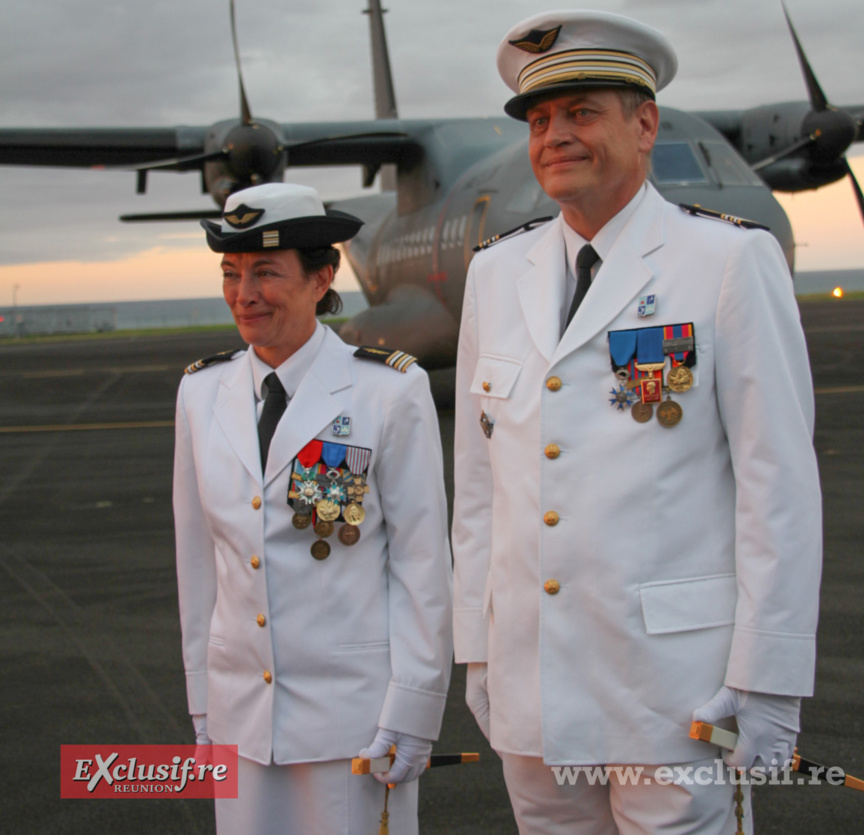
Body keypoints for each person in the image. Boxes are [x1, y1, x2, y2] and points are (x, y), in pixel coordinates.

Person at [452, 10, 821, 834]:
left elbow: (779, 489)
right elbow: (479, 489)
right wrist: (476, 646)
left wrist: (767, 679)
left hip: (676, 686)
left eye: (581, 112)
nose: (555, 135)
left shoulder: (727, 261)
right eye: (541, 119)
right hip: (534, 680)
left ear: (644, 123)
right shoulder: (495, 273)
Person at [173, 182, 452, 834]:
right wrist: (203, 707)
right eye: (231, 272)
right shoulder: (201, 391)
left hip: (354, 720)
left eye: (266, 272)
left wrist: (413, 707)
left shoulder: (389, 389)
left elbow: (421, 564)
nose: (244, 293)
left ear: (322, 276)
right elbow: (198, 564)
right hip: (240, 717)